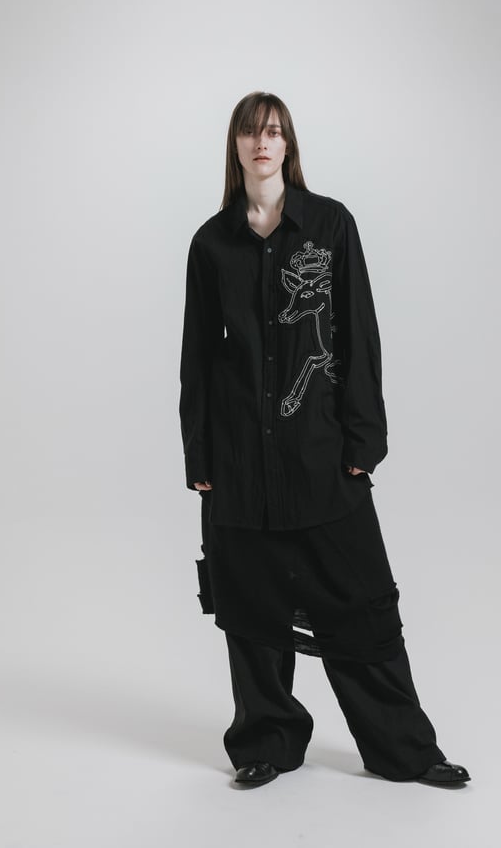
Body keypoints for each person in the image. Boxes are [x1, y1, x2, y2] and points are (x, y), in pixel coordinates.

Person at [179, 91, 470, 788]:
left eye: (274, 131)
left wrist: (364, 439)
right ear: (235, 144)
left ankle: (404, 750)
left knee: (361, 605)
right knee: (251, 611)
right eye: (250, 131)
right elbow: (199, 354)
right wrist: (200, 455)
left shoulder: (330, 225)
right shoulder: (211, 242)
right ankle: (266, 742)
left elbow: (358, 333)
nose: (262, 142)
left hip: (320, 455)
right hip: (239, 461)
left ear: (289, 144)